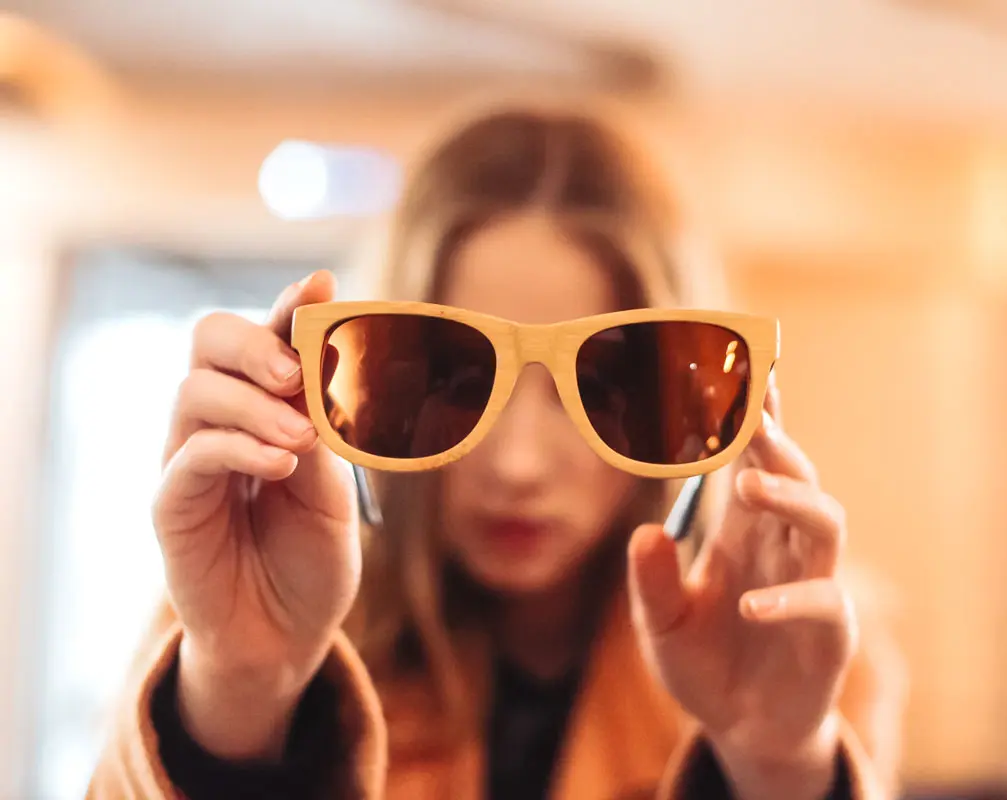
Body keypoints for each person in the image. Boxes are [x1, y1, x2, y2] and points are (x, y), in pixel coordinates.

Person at [87, 101, 900, 799]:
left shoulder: (790, 653)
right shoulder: (239, 616)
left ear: (676, 394)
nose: (518, 465)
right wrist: (243, 691)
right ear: (384, 377)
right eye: (459, 380)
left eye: (600, 387)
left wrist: (776, 764)